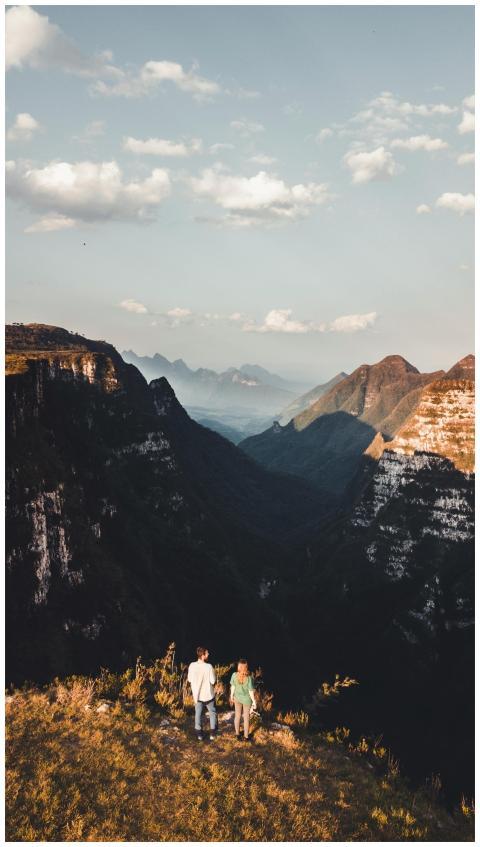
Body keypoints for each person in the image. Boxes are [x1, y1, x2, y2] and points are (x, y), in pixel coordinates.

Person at [187, 646, 217, 741]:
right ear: (203, 655)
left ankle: (199, 734)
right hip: (208, 694)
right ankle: (212, 733)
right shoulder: (209, 667)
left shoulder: (192, 665)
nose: (208, 654)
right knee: (212, 712)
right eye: (207, 653)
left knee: (198, 714)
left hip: (197, 695)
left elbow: (189, 679)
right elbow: (213, 681)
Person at [230, 659, 257, 742]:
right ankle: (246, 737)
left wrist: (231, 696)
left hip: (237, 698)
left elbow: (233, 687)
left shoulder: (234, 675)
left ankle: (237, 734)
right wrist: (254, 701)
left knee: (237, 716)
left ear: (238, 667)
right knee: (246, 718)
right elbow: (250, 691)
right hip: (247, 701)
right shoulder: (249, 678)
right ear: (246, 667)